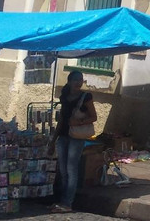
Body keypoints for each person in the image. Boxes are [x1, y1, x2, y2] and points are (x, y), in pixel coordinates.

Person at [48, 70, 97, 213]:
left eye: (80, 80)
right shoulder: (65, 97)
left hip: (76, 137)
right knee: (63, 169)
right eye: (76, 80)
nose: (78, 82)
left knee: (71, 169)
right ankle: (62, 200)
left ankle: (67, 202)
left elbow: (93, 117)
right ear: (69, 81)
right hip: (63, 135)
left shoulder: (86, 97)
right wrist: (53, 140)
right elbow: (62, 118)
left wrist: (78, 122)